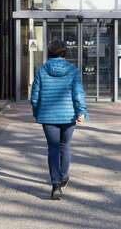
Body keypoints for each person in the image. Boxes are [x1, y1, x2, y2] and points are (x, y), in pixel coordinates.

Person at [30, 40, 88, 200]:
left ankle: (56, 184)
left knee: (53, 149)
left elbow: (35, 95)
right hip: (68, 115)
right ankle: (63, 177)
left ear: (49, 53)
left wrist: (36, 112)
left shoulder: (41, 70)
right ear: (64, 53)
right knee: (65, 146)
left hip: (48, 116)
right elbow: (78, 93)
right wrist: (81, 111)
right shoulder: (73, 70)